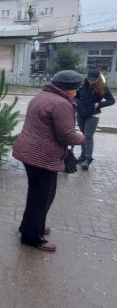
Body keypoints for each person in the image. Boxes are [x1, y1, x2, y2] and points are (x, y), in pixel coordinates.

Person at [13, 70, 85, 251]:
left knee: (37, 195)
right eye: (77, 88)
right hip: (42, 157)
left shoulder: (43, 96)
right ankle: (32, 237)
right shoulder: (61, 104)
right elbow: (67, 135)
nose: (77, 91)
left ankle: (30, 225)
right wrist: (81, 137)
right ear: (70, 90)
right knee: (42, 198)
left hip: (30, 153)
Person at [75, 69, 115, 170]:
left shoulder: (102, 87)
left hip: (93, 114)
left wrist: (99, 104)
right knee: (82, 135)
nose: (91, 81)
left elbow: (111, 100)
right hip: (81, 113)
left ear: (98, 79)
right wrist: (77, 103)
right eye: (89, 79)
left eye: (94, 80)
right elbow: (75, 96)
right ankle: (82, 156)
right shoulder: (82, 85)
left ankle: (88, 159)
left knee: (88, 136)